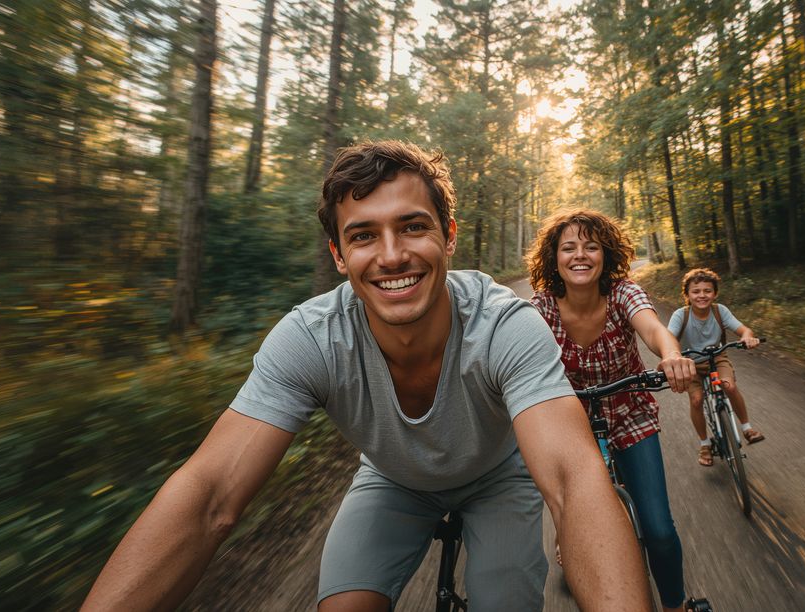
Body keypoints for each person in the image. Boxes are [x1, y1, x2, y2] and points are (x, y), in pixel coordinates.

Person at [81, 141, 653, 612]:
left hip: (499, 477)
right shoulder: (311, 337)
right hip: (393, 480)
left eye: (412, 227)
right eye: (362, 236)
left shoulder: (507, 322)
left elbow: (575, 481)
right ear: (338, 253)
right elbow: (209, 497)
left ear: (448, 235)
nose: (391, 255)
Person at [526, 209, 699, 612]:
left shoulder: (624, 293)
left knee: (658, 529)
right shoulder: (541, 309)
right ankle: (566, 531)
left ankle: (675, 604)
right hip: (569, 424)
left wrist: (672, 354)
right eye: (568, 247)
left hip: (630, 414)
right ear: (554, 258)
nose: (580, 255)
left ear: (605, 255)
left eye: (591, 246)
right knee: (574, 514)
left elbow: (654, 329)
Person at [666, 268, 764, 468]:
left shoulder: (720, 311)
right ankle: (704, 444)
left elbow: (743, 329)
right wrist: (673, 356)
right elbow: (668, 339)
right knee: (696, 399)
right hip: (690, 362)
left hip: (716, 358)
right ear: (687, 294)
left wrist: (747, 338)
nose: (702, 295)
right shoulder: (680, 315)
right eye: (696, 291)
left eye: (707, 290)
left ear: (715, 293)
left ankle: (747, 428)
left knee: (729, 386)